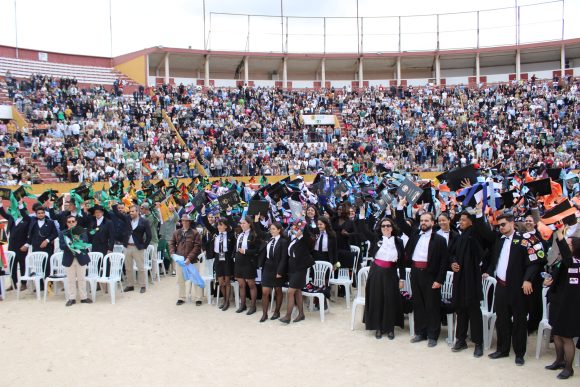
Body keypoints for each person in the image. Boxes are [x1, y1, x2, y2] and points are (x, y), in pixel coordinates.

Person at [477, 212, 544, 366]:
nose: (500, 227)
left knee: (520, 321)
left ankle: (519, 353)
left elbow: (535, 261)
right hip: (501, 286)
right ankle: (502, 349)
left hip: (518, 288)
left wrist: (528, 279)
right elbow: (494, 254)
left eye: (503, 224)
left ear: (512, 223)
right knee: (502, 320)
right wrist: (479, 214)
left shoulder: (525, 239)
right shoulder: (499, 241)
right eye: (498, 225)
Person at [396, 197, 449, 347]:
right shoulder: (414, 234)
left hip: (430, 275)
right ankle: (421, 332)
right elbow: (400, 222)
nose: (424, 223)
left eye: (427, 221)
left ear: (433, 223)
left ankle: (433, 335)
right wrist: (400, 206)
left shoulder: (439, 240)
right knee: (418, 304)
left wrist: (439, 280)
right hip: (415, 273)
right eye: (422, 220)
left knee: (432, 305)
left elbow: (444, 263)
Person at [359, 216, 405, 340]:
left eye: (388, 225)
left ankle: (390, 328)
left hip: (391, 273)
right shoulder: (376, 238)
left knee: (390, 300)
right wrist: (362, 215)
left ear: (392, 227)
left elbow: (401, 263)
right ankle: (378, 327)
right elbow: (363, 229)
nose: (385, 228)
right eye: (383, 226)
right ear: (380, 228)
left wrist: (402, 279)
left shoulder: (398, 242)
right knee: (377, 299)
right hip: (376, 272)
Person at [544, 225, 579, 380]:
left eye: (569, 244)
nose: (566, 246)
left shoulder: (575, 262)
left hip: (570, 305)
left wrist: (559, 234)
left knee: (566, 336)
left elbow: (566, 257)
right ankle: (559, 360)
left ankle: (568, 368)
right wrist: (549, 280)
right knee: (557, 333)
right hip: (558, 301)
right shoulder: (565, 261)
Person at [449, 211, 484, 357]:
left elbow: (482, 251)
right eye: (460, 220)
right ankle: (461, 339)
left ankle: (478, 343)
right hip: (459, 278)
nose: (461, 222)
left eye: (464, 220)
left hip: (472, 278)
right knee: (460, 309)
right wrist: (453, 263)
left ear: (471, 221)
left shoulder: (475, 234)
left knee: (474, 311)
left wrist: (477, 213)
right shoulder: (459, 236)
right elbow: (451, 253)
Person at [278, 221, 314, 324]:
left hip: (300, 268)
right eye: (294, 226)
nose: (294, 228)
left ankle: (288, 316)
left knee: (290, 292)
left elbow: (307, 233)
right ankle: (301, 314)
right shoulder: (293, 238)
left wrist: (303, 223)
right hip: (292, 268)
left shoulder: (304, 239)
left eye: (297, 227)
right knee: (297, 290)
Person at [115, 204, 152, 294]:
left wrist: (144, 246)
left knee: (140, 267)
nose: (130, 213)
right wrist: (114, 204)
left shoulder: (144, 221)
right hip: (127, 246)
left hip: (138, 247)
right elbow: (118, 214)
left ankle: (143, 285)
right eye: (130, 211)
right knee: (128, 267)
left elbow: (149, 236)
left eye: (133, 211)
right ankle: (130, 285)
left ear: (138, 212)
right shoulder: (127, 219)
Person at [169, 213, 202, 305]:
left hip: (193, 260)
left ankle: (198, 298)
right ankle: (181, 297)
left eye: (187, 221)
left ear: (190, 222)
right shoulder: (176, 232)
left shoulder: (195, 233)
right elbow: (171, 243)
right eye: (183, 220)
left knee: (196, 278)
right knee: (180, 280)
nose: (185, 222)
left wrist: (189, 258)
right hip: (180, 261)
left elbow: (197, 247)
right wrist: (172, 253)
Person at [257, 222, 288, 322]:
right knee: (265, 292)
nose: (271, 230)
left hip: (277, 267)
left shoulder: (283, 241)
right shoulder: (269, 239)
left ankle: (277, 312)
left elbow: (284, 258)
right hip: (267, 267)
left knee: (278, 290)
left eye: (274, 229)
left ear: (279, 230)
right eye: (271, 229)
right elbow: (259, 232)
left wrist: (280, 271)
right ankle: (264, 314)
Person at [59, 215, 92, 306]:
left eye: (73, 221)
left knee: (82, 278)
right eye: (69, 222)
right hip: (69, 258)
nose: (71, 223)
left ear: (76, 222)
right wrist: (71, 245)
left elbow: (84, 243)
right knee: (71, 279)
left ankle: (83, 297)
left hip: (81, 257)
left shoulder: (82, 231)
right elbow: (62, 246)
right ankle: (72, 298)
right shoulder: (63, 233)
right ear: (67, 223)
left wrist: (76, 242)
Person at [203, 216, 235, 311]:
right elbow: (207, 224)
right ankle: (225, 299)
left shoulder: (230, 235)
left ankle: (227, 302)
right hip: (218, 258)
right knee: (221, 282)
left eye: (221, 225)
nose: (218, 227)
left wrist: (228, 213)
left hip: (227, 258)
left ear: (226, 226)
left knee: (227, 281)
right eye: (218, 225)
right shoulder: (215, 233)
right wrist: (204, 214)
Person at [0, 199, 31, 291]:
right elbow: (3, 213)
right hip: (12, 246)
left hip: (22, 246)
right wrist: (1, 203)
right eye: (16, 209)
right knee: (12, 266)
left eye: (19, 209)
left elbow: (30, 234)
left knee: (22, 265)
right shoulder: (12, 218)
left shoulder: (27, 220)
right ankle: (13, 283)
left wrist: (20, 204)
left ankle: (24, 283)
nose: (17, 210)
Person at [234, 215, 262, 315]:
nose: (242, 225)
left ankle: (253, 306)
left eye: (244, 223)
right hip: (238, 262)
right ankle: (243, 305)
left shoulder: (253, 235)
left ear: (249, 224)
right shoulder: (240, 234)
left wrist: (246, 251)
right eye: (241, 223)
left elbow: (257, 250)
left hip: (249, 262)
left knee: (251, 285)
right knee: (241, 284)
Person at [24, 206, 58, 286]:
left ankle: (49, 285)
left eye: (42, 213)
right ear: (36, 214)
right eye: (39, 213)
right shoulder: (33, 223)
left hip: (48, 247)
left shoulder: (50, 222)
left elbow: (55, 233)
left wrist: (47, 240)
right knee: (38, 265)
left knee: (47, 265)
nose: (41, 215)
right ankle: (40, 285)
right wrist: (27, 244)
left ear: (44, 213)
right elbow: (30, 235)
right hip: (36, 247)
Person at [141, 203, 160, 281]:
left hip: (153, 240)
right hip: (144, 240)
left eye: (142, 208)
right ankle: (146, 274)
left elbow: (146, 225)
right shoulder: (143, 217)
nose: (140, 210)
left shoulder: (151, 217)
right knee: (144, 257)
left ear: (146, 209)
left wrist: (154, 208)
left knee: (153, 258)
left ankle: (154, 274)